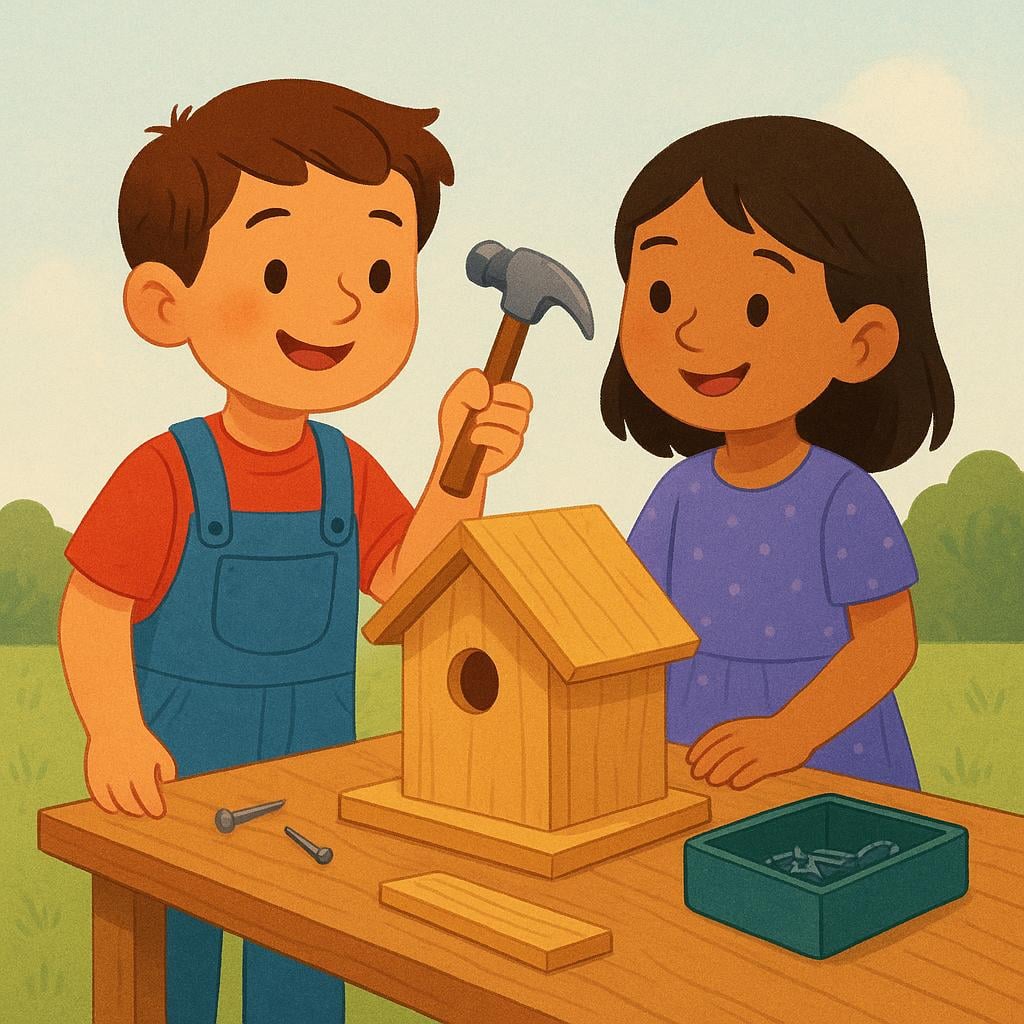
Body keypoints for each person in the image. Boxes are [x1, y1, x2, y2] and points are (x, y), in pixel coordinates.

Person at [58, 79, 532, 1024]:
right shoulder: (166, 475)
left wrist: (459, 470)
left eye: (382, 271)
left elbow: (407, 586)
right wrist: (114, 729)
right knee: (167, 981)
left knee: (304, 986)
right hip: (177, 792)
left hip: (317, 797)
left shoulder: (344, 471)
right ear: (164, 303)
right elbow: (95, 604)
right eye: (278, 271)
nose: (343, 303)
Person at [601, 116, 954, 792]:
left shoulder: (841, 500)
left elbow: (886, 644)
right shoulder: (679, 494)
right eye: (663, 294)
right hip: (691, 744)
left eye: (757, 303)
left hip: (827, 755)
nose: (695, 331)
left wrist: (789, 733)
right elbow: (628, 613)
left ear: (862, 343)